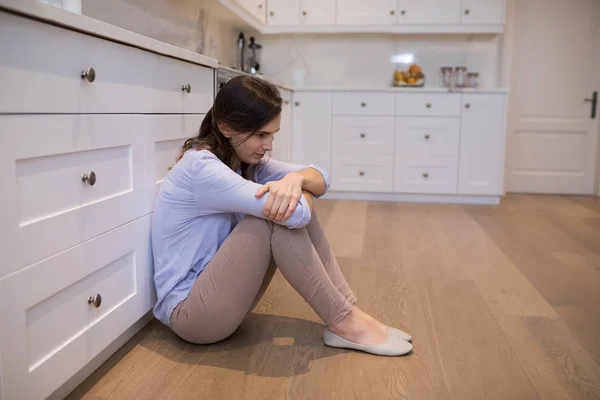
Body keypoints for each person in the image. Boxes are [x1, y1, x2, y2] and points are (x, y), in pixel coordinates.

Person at [150, 76, 413, 356]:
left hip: (220, 297)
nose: (269, 145)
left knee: (284, 202)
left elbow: (322, 178)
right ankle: (344, 322)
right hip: (192, 317)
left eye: (272, 134)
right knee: (273, 217)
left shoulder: (244, 161)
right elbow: (297, 213)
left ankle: (348, 312)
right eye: (261, 135)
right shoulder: (201, 168)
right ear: (226, 128)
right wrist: (298, 188)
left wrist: (295, 180)